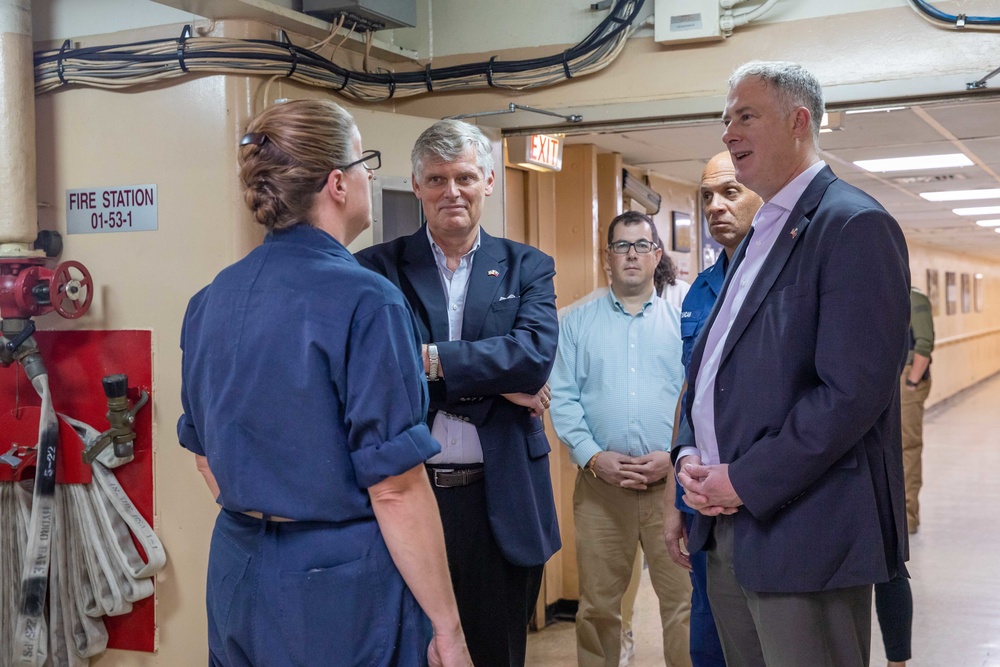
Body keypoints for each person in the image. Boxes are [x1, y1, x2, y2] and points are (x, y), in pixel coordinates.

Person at [176, 99, 471, 667]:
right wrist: (448, 629)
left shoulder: (210, 300)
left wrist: (270, 504)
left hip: (238, 571)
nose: (368, 176)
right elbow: (395, 488)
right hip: (337, 586)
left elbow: (205, 457)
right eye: (366, 163)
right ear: (338, 182)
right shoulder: (368, 300)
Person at [672, 61, 911, 666]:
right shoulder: (764, 232)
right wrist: (690, 454)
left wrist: (743, 481)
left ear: (799, 121)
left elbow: (851, 395)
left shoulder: (852, 225)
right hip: (729, 527)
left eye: (746, 116)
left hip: (805, 537)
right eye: (726, 118)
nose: (728, 133)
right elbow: (711, 364)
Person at [355, 119, 561, 667]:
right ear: (418, 185)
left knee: (497, 654)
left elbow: (534, 357)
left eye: (465, 177)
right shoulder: (376, 270)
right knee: (415, 652)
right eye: (438, 179)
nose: (453, 192)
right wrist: (495, 382)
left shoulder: (528, 266)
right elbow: (372, 370)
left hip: (503, 498)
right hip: (409, 494)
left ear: (488, 181)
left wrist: (425, 362)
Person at [550, 210, 692, 667]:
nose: (631, 255)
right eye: (621, 246)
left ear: (656, 256)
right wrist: (593, 457)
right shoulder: (576, 323)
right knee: (598, 610)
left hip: (671, 490)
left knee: (684, 606)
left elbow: (696, 401)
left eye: (641, 246)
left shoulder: (683, 324)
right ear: (607, 257)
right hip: (600, 491)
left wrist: (674, 458)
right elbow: (564, 399)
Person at [663, 151, 760, 667]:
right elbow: (690, 395)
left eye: (731, 192)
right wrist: (675, 497)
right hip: (702, 502)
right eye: (706, 196)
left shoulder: (784, 279)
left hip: (763, 496)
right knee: (709, 645)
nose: (715, 206)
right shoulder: (699, 291)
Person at [873, 286, 934, 667]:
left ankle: (908, 513)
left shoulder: (914, 299)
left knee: (907, 451)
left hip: (903, 384)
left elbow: (923, 343)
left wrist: (911, 381)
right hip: (878, 388)